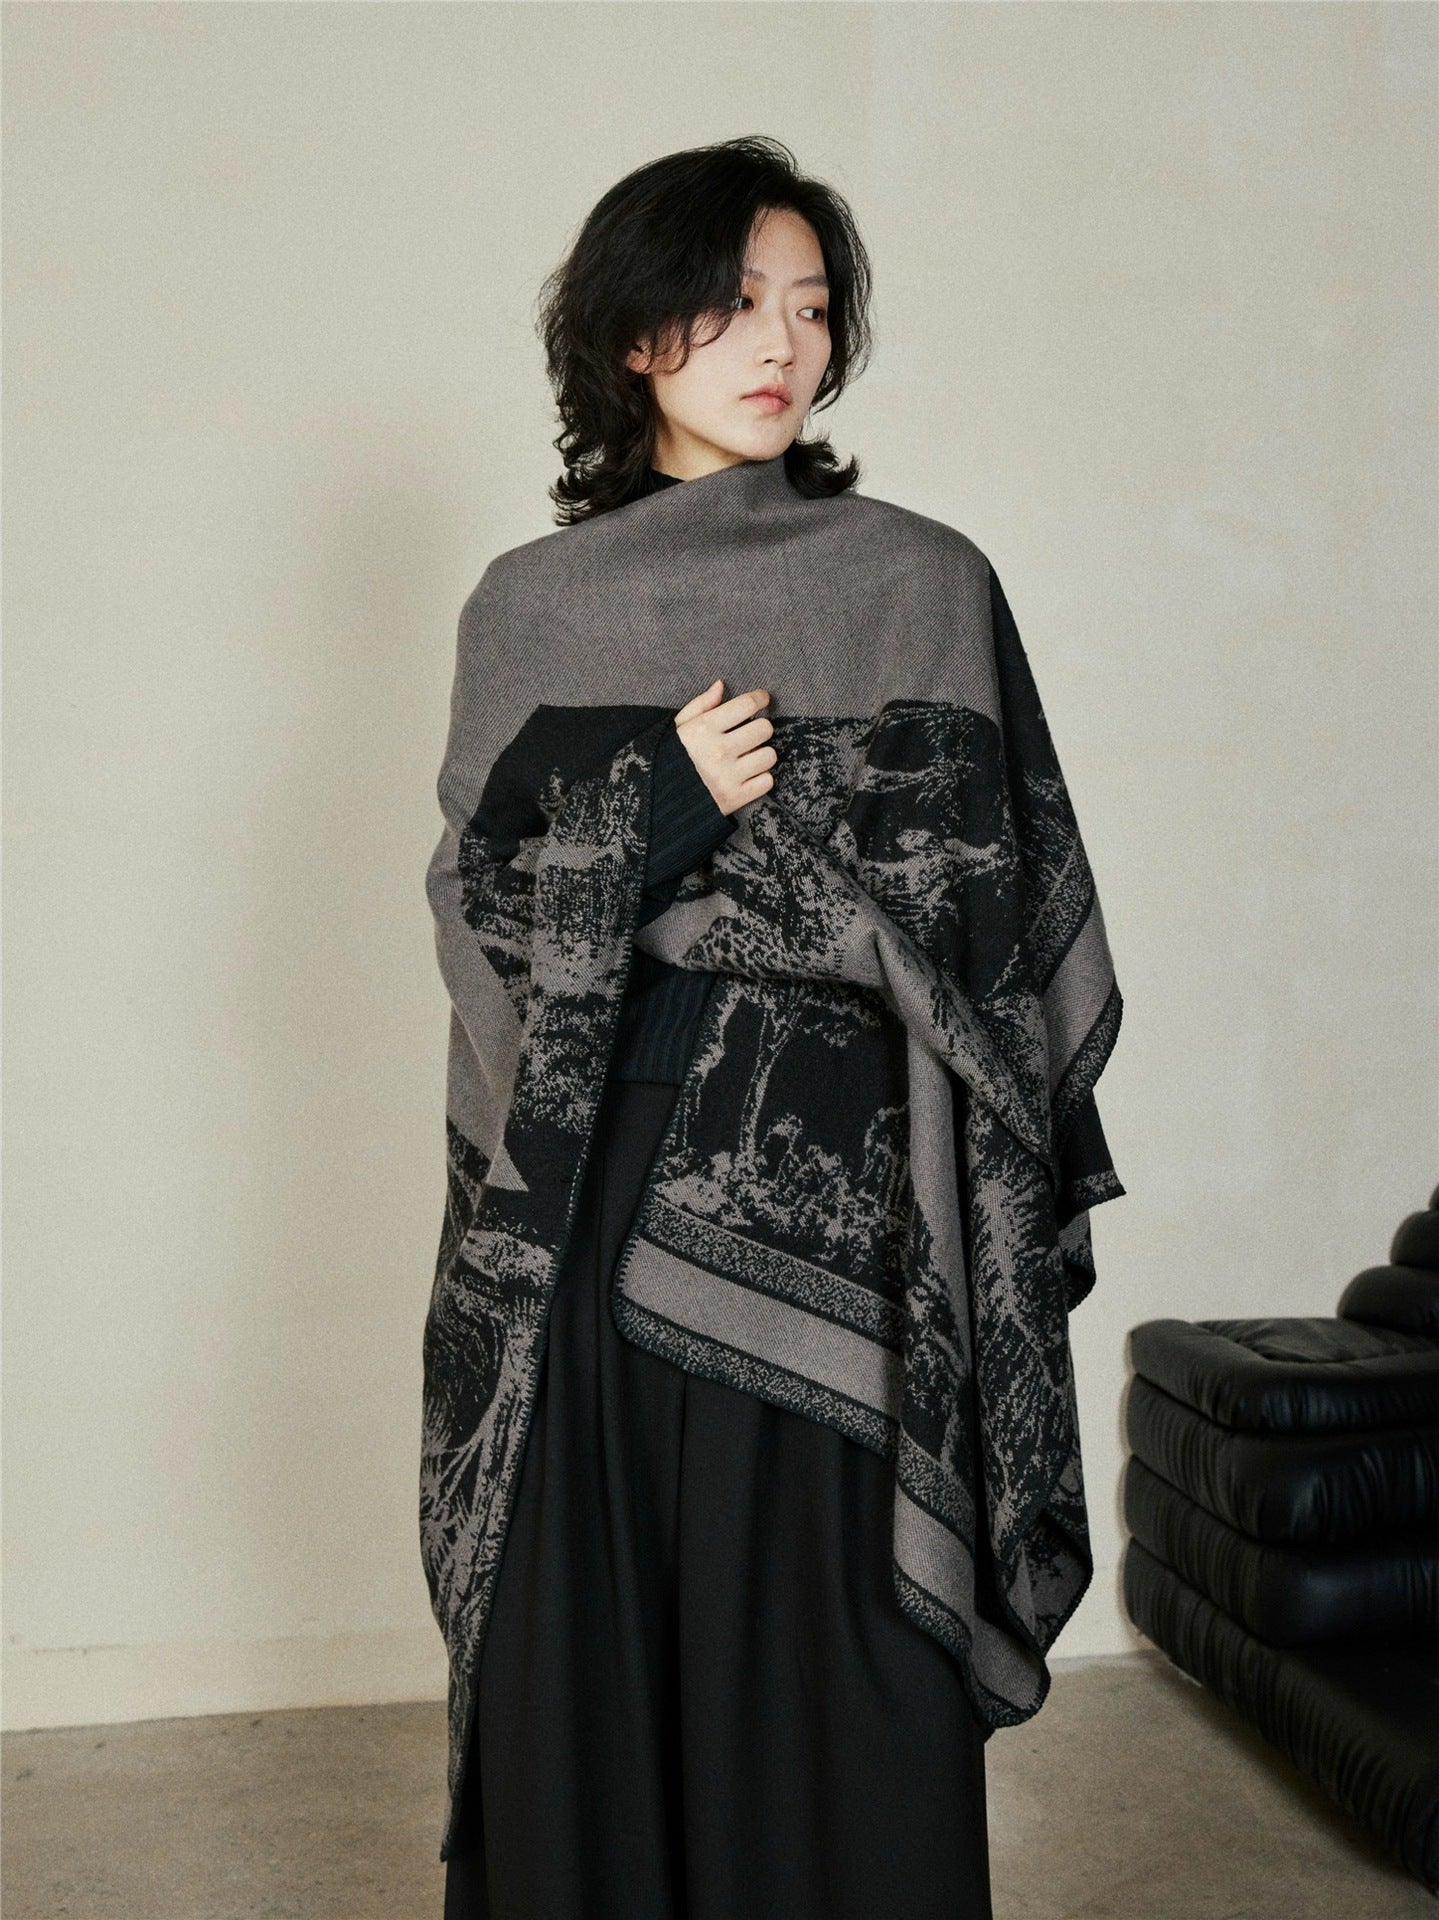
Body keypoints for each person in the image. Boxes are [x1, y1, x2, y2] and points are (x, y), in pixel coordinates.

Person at [437, 135, 1002, 1920]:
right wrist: (661, 806)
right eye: (735, 302)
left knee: (845, 1680)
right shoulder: (533, 607)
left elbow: (989, 919)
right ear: (633, 338)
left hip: (847, 1197)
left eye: (812, 308)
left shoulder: (921, 582)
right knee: (599, 1660)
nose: (781, 343)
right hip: (602, 1196)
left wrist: (797, 886)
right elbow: (480, 911)